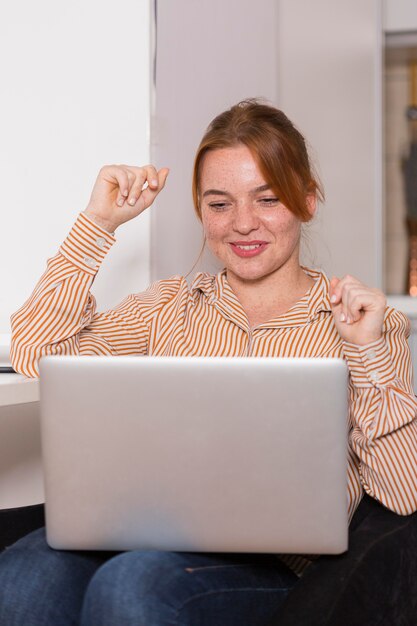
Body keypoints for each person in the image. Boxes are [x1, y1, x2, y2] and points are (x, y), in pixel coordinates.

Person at [1, 99, 417, 626]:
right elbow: (37, 352)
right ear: (200, 210)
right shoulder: (165, 306)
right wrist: (98, 223)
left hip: (274, 570)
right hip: (142, 533)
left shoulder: (360, 325)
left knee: (135, 584)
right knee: (22, 576)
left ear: (307, 201)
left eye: (267, 200)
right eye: (219, 205)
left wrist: (367, 352)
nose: (243, 224)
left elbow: (405, 495)